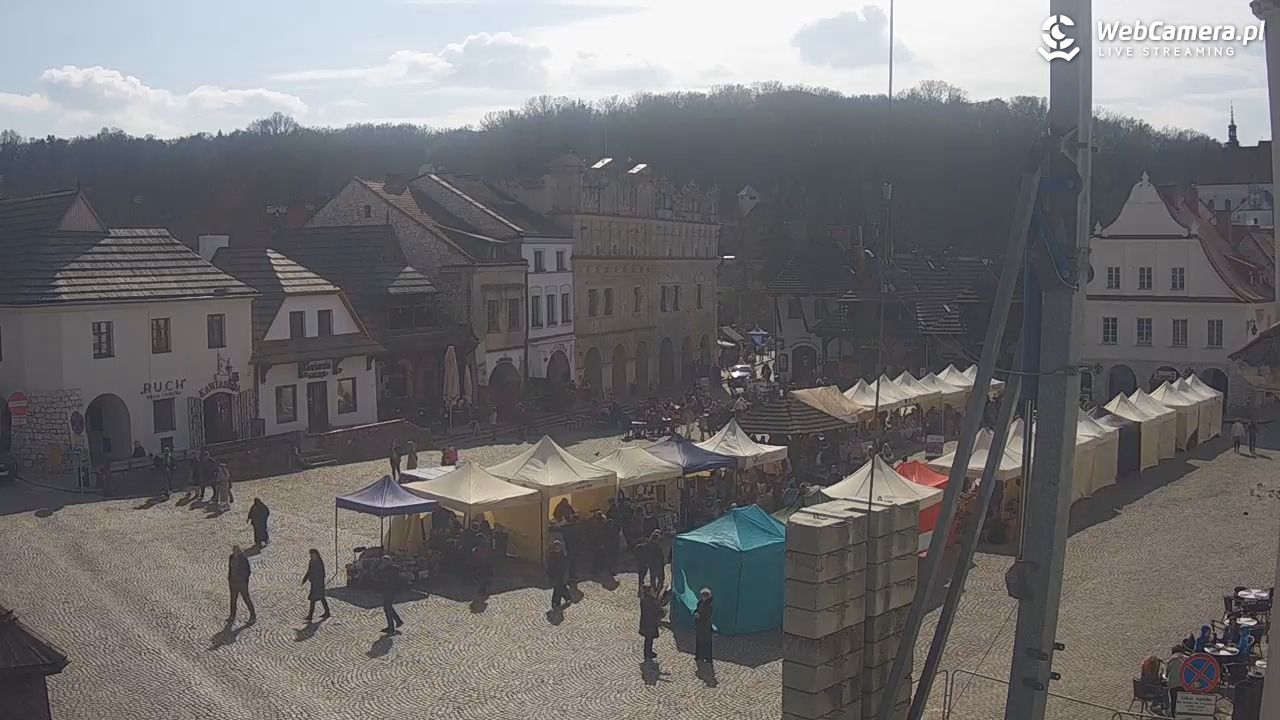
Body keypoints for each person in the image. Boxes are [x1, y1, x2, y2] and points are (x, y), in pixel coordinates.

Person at [226, 545, 256, 624]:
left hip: (242, 584)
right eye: (234, 551)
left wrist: (243, 580)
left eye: (237, 551)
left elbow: (248, 571)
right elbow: (230, 569)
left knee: (246, 599)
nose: (235, 553)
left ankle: (253, 615)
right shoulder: (231, 557)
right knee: (233, 600)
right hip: (233, 583)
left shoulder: (243, 559)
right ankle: (232, 615)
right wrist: (230, 579)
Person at [638, 585, 668, 660]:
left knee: (648, 638)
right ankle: (648, 652)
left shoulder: (645, 599)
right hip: (649, 622)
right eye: (652, 590)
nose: (653, 591)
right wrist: (661, 612)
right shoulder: (649, 600)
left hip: (647, 621)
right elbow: (652, 611)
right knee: (649, 638)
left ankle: (648, 652)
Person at [302, 549, 331, 622]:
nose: (311, 555)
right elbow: (309, 571)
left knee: (315, 599)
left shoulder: (319, 562)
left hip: (319, 583)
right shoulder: (311, 561)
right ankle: (326, 612)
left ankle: (311, 615)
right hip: (314, 583)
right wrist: (305, 579)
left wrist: (317, 579)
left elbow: (322, 573)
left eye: (312, 554)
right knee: (320, 598)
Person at [379, 555, 404, 634]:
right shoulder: (392, 569)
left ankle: (392, 626)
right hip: (389, 590)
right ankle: (397, 621)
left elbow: (385, 580)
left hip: (389, 591)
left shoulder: (388, 570)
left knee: (387, 608)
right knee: (388, 607)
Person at [548, 540, 571, 610]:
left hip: (561, 574)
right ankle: (558, 601)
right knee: (559, 588)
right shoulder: (552, 555)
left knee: (560, 587)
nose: (558, 548)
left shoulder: (562, 555)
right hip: (556, 574)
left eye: (559, 547)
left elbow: (565, 566)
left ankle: (561, 600)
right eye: (557, 547)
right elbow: (550, 566)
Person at [694, 587, 714, 664]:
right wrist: (696, 613)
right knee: (699, 641)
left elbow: (707, 615)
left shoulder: (709, 604)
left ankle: (707, 657)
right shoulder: (700, 601)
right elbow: (697, 609)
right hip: (699, 625)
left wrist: (699, 616)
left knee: (706, 642)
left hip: (705, 626)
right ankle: (699, 655)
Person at [473, 532, 493, 597]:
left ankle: (482, 591)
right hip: (485, 562)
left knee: (482, 577)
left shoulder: (482, 545)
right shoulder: (486, 544)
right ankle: (483, 590)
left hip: (482, 562)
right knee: (483, 577)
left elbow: (479, 553)